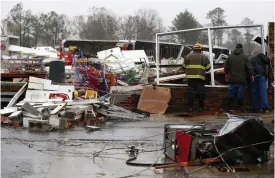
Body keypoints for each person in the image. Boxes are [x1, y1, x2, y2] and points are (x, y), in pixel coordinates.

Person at [224, 43, 254, 112]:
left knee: (231, 94)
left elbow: (226, 67)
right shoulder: (245, 57)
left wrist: (226, 74)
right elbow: (249, 67)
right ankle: (238, 108)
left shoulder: (230, 56)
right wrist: (251, 75)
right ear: (241, 48)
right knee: (240, 95)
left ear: (236, 48)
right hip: (241, 80)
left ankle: (228, 107)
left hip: (232, 79)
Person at [182, 43, 211, 113]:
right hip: (200, 78)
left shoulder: (187, 56)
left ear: (194, 49)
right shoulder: (204, 57)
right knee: (201, 93)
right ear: (201, 50)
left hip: (190, 78)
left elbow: (183, 67)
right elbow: (208, 68)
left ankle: (190, 108)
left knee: (190, 93)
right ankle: (201, 108)